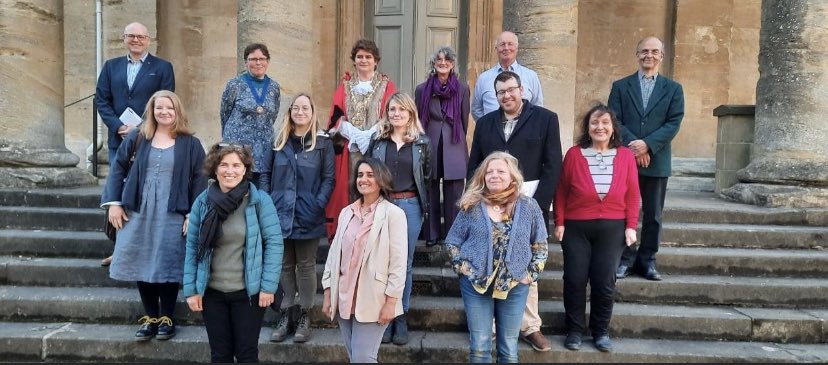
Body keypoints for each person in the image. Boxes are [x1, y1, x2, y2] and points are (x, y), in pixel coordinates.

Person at [100, 90, 206, 341]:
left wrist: (193, 214)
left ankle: (167, 317)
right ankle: (150, 317)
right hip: (137, 209)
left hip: (172, 210)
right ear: (152, 110)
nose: (164, 112)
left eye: (169, 108)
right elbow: (118, 169)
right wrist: (114, 204)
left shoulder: (190, 143)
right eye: (159, 108)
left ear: (177, 110)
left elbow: (200, 181)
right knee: (141, 258)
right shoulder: (138, 136)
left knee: (168, 260)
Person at [467, 70, 562, 352]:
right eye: (501, 92)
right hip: (489, 205)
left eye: (511, 89)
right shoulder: (484, 124)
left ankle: (530, 326)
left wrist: (540, 205)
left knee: (524, 262)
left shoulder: (546, 119)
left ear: (522, 90)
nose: (507, 95)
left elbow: (553, 164)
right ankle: (492, 327)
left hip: (528, 204)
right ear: (495, 96)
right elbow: (475, 165)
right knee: (489, 260)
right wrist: (475, 199)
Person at [183, 143, 284, 363]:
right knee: (220, 355)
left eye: (236, 165)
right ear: (215, 168)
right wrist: (191, 289)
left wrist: (269, 286)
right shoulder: (203, 202)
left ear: (245, 169)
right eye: (224, 165)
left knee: (247, 353)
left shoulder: (259, 201)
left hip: (248, 293)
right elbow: (192, 247)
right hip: (212, 293)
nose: (230, 171)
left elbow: (274, 244)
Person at [446, 151, 548, 363]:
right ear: (483, 177)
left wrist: (530, 275)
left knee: (509, 348)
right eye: (489, 172)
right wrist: (462, 268)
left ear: (512, 176)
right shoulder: (471, 206)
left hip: (514, 284)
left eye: (501, 171)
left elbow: (540, 246)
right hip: (476, 284)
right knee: (480, 346)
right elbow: (452, 241)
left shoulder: (528, 206)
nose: (494, 175)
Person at [553, 104, 641, 352]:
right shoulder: (574, 154)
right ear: (588, 128)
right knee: (574, 279)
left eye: (604, 123)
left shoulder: (625, 156)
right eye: (594, 123)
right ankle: (574, 331)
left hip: (612, 228)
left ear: (613, 128)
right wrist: (559, 221)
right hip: (576, 227)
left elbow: (633, 193)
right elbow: (561, 191)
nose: (599, 127)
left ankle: (601, 331)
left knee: (604, 282)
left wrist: (631, 226)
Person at [96, 21, 175, 267]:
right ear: (124, 39)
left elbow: (167, 101)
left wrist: (140, 128)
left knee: (141, 193)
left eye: (141, 37)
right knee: (117, 193)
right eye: (131, 36)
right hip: (117, 140)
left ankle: (142, 247)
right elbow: (102, 99)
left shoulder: (162, 67)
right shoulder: (111, 67)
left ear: (148, 40)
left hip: (149, 139)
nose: (136, 40)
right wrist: (118, 126)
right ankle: (118, 248)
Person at [608, 36, 685, 281]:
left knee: (653, 215)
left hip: (657, 160)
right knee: (623, 211)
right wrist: (635, 146)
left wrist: (648, 146)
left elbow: (674, 121)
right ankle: (625, 258)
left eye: (654, 51)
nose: (648, 55)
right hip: (626, 160)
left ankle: (648, 260)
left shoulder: (673, 89)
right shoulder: (621, 86)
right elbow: (614, 119)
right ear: (637, 54)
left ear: (661, 56)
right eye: (643, 51)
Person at [321, 158, 407, 363]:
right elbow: (333, 255)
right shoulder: (346, 212)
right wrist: (327, 292)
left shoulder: (393, 214)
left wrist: (391, 302)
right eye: (360, 175)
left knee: (362, 358)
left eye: (370, 175)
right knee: (356, 357)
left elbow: (398, 262)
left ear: (381, 179)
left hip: (373, 299)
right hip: (343, 296)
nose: (363, 179)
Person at [267, 93, 335, 343]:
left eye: (305, 107)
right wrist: (268, 203)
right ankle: (286, 314)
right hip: (280, 211)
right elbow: (265, 173)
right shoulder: (278, 140)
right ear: (290, 112)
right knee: (285, 265)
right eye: (296, 107)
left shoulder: (323, 143)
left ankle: (305, 315)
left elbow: (329, 179)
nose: (300, 112)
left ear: (312, 111)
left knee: (306, 265)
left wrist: (317, 205)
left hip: (309, 212)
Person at [365, 92, 431, 345]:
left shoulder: (422, 143)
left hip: (409, 205)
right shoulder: (378, 141)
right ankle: (383, 317)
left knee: (404, 263)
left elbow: (427, 178)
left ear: (410, 113)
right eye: (392, 109)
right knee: (380, 262)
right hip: (381, 204)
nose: (396, 114)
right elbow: (369, 173)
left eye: (402, 110)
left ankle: (399, 316)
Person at [325, 38, 397, 240]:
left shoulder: (387, 85)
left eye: (368, 57)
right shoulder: (345, 86)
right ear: (354, 60)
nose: (364, 60)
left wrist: (371, 133)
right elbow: (335, 116)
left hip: (379, 145)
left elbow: (393, 114)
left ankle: (374, 233)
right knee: (349, 188)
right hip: (349, 150)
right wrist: (350, 131)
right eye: (359, 57)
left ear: (376, 61)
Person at [414, 46, 470, 247]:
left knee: (454, 192)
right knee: (429, 189)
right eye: (439, 60)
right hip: (429, 142)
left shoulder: (462, 89)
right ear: (434, 64)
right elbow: (418, 120)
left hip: (453, 144)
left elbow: (464, 120)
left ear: (453, 64)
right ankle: (431, 234)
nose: (443, 62)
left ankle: (452, 236)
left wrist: (458, 141)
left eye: (447, 59)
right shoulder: (422, 89)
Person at [220, 43, 282, 190]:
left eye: (262, 58)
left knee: (259, 193)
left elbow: (273, 115)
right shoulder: (234, 84)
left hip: (263, 150)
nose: (258, 62)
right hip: (238, 149)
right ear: (246, 61)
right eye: (253, 59)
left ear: (268, 61)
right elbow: (225, 113)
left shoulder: (274, 87)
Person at [471, 31, 543, 121]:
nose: (506, 48)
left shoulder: (531, 76)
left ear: (517, 48)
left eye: (510, 44)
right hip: (492, 133)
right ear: (496, 48)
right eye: (502, 44)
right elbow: (476, 109)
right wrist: (488, 127)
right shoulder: (483, 78)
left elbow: (538, 108)